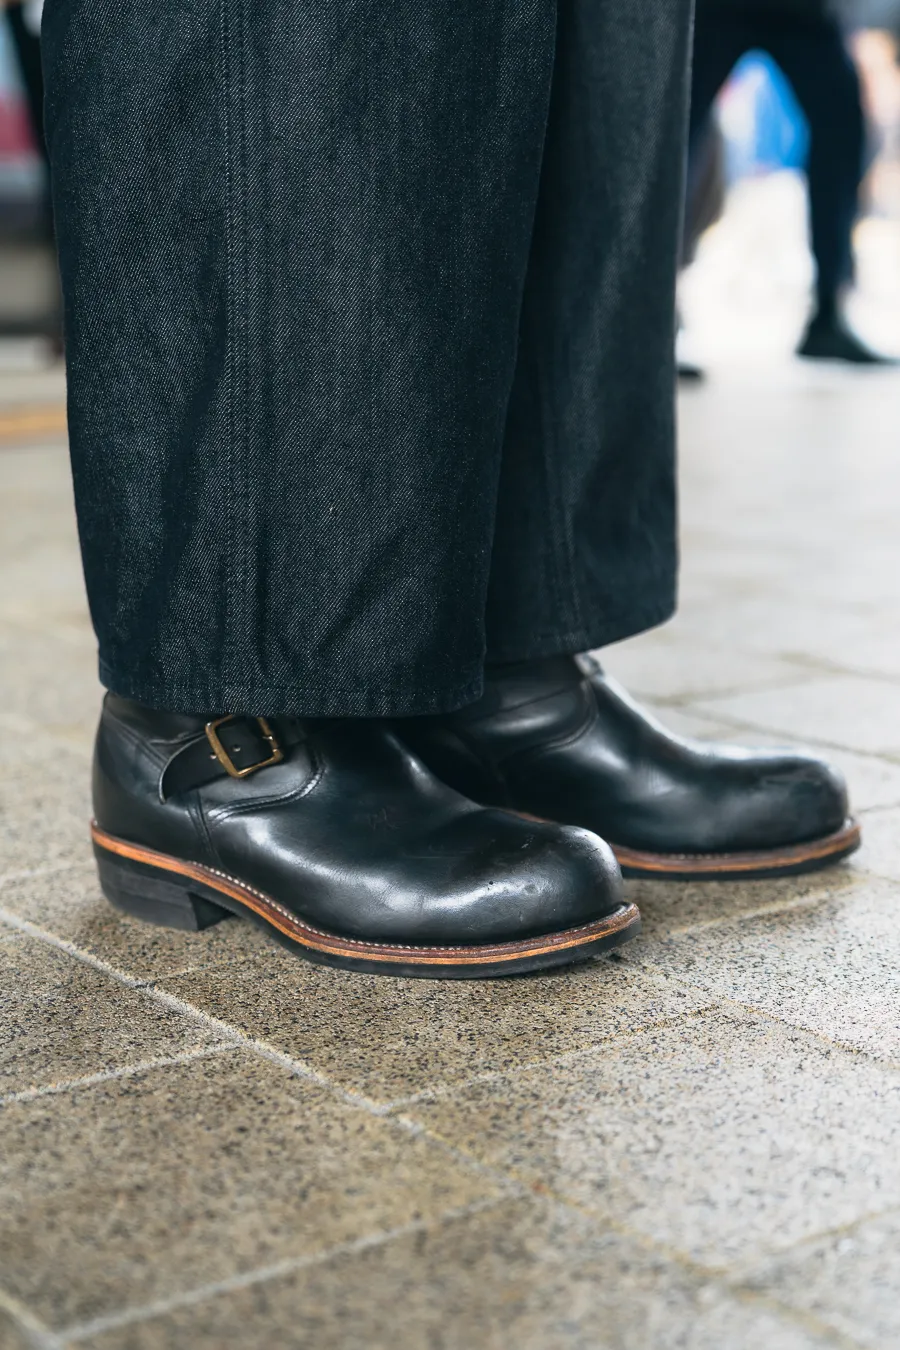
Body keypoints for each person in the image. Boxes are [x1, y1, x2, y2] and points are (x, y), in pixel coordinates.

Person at [40, 0, 859, 981]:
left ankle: (499, 677)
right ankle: (221, 727)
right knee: (318, 39)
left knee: (587, 46)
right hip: (223, 723)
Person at [689, 0, 895, 363]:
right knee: (673, 130)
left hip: (801, 9)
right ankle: (648, 305)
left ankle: (829, 310)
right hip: (719, 7)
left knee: (841, 117)